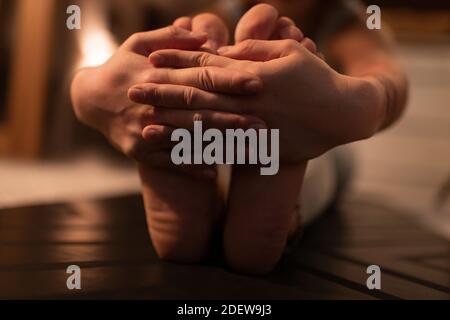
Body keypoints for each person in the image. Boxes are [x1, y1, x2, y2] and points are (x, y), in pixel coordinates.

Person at [71, 1, 408, 274]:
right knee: (306, 158)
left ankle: (222, 188)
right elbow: (384, 74)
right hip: (244, 136)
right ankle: (259, 196)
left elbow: (380, 70)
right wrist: (368, 100)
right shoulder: (227, 13)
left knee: (316, 156)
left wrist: (353, 103)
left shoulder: (345, 19)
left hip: (306, 138)